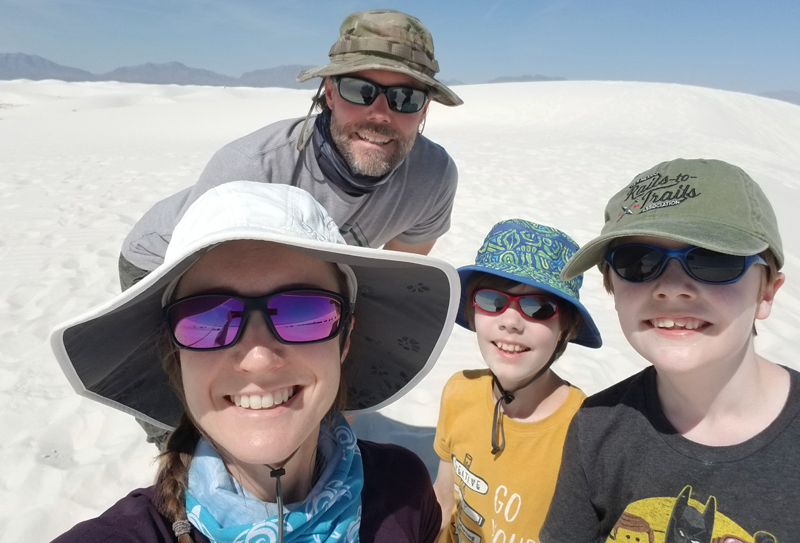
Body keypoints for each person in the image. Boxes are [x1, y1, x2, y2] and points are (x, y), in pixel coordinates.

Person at [50, 181, 460, 543]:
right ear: (176, 354)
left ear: (345, 338)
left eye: (304, 312)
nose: (259, 358)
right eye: (208, 318)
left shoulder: (402, 491)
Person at [540, 158, 799, 542]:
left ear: (766, 293)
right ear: (613, 288)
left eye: (714, 260)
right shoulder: (595, 428)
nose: (672, 287)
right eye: (638, 262)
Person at [119, 8, 464, 292]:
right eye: (360, 90)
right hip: (164, 263)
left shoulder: (432, 179)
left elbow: (391, 276)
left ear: (424, 110)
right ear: (329, 94)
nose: (380, 114)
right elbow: (208, 287)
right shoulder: (251, 170)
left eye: (405, 98)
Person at [432, 219, 602, 543]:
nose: (510, 322)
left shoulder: (586, 429)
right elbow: (442, 498)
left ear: (568, 326)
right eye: (492, 301)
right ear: (472, 310)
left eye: (538, 308)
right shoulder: (458, 392)